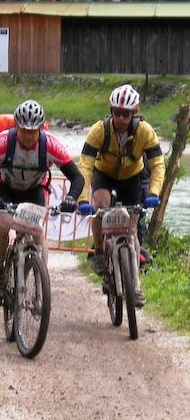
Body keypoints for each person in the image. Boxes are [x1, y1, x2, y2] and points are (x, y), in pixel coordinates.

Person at [0, 99, 84, 301]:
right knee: (2, 224)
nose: (29, 136)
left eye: (33, 131)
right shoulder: (2, 142)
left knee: (37, 233)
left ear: (41, 129)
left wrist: (71, 197)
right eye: (24, 131)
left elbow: (77, 177)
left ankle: (42, 281)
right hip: (6, 189)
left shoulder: (51, 145)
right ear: (16, 127)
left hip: (34, 190)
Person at [78, 84, 165, 308]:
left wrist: (154, 192)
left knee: (132, 232)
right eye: (117, 113)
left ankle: (135, 287)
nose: (121, 118)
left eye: (126, 114)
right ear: (111, 111)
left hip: (132, 177)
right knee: (100, 206)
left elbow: (157, 164)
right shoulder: (99, 130)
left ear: (134, 113)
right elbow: (85, 165)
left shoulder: (145, 131)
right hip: (104, 174)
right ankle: (99, 251)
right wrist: (83, 199)